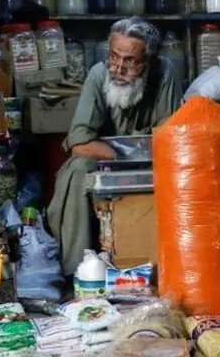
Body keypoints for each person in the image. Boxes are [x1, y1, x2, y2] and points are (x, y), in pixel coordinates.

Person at [47, 17, 181, 275]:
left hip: (152, 162)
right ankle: (78, 272)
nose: (118, 68)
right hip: (103, 164)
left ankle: (163, 267)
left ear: (149, 61)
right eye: (113, 56)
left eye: (130, 61)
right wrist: (123, 155)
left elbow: (170, 136)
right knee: (77, 170)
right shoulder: (99, 74)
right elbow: (79, 142)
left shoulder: (164, 73)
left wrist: (144, 156)